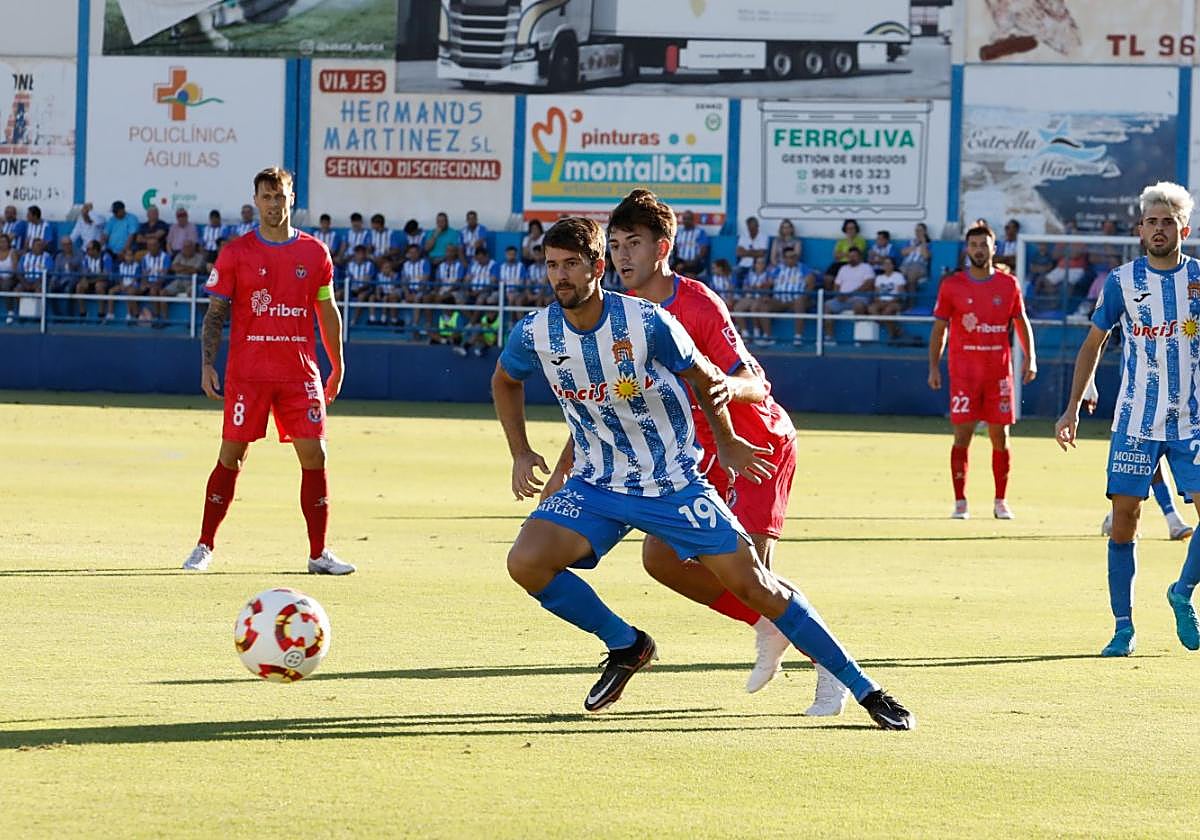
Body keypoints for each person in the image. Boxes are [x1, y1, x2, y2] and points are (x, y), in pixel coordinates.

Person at [493, 214, 912, 728]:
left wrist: (732, 443)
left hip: (671, 481)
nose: (559, 276)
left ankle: (866, 689)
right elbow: (506, 380)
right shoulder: (536, 332)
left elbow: (708, 378)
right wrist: (521, 451)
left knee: (756, 583)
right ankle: (627, 644)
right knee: (526, 562)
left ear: (595, 268)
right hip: (599, 483)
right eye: (551, 265)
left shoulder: (648, 322)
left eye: (571, 265)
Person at [183, 166, 353, 576]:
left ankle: (318, 553)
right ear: (255, 200)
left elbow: (326, 310)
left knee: (316, 455)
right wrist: (207, 363)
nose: (274, 204)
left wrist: (336, 363)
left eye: (280, 196)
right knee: (232, 456)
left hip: (299, 374)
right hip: (248, 374)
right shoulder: (236, 253)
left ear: (291, 198)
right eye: (267, 196)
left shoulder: (315, 253)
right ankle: (204, 546)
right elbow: (216, 312)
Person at [1055, 181, 1200, 656]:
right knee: (1125, 520)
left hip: (1191, 423)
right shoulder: (1121, 282)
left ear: (1185, 227)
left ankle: (1181, 592)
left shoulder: (1198, 281)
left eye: (1168, 221)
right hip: (1135, 421)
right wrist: (1072, 407)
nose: (1160, 229)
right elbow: (1092, 345)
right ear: (1140, 229)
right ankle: (1123, 628)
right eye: (1152, 221)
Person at [929, 222, 1037, 520]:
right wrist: (933, 366)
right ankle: (960, 502)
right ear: (967, 249)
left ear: (994, 248)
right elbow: (940, 329)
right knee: (962, 435)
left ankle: (1000, 501)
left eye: (984, 245)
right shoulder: (952, 285)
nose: (979, 250)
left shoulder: (1008, 284)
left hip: (998, 374)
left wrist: (1031, 357)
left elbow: (1020, 321)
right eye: (974, 245)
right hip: (964, 374)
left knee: (1000, 436)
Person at [823, 247, 875, 344]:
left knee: (859, 306)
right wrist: (838, 295)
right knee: (827, 306)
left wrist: (850, 294)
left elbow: (868, 284)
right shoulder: (843, 268)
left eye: (854, 256)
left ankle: (860, 338)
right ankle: (829, 337)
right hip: (842, 298)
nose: (851, 258)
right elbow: (837, 284)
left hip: (859, 297)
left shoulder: (866, 267)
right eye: (850, 256)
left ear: (860, 257)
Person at [868, 254, 909, 342]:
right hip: (881, 301)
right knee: (872, 309)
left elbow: (900, 293)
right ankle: (895, 330)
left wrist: (890, 301)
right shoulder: (879, 278)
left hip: (895, 302)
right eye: (885, 264)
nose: (886, 266)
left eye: (889, 264)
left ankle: (892, 335)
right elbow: (876, 294)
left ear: (893, 265)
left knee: (887, 312)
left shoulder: (898, 276)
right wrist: (880, 301)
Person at [75, 239, 113, 321]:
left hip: (104, 282)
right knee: (79, 286)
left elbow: (106, 275)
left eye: (89, 249)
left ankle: (101, 314)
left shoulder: (106, 257)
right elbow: (84, 272)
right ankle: (83, 313)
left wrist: (90, 281)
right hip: (90, 281)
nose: (87, 251)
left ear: (95, 250)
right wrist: (84, 279)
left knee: (99, 286)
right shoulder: (86, 258)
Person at [671, 210, 709, 279]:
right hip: (680, 262)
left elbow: (703, 251)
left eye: (688, 219)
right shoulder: (679, 233)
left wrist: (691, 262)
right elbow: (675, 249)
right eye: (684, 219)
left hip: (694, 263)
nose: (686, 221)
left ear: (692, 219)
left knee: (689, 275)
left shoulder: (700, 232)